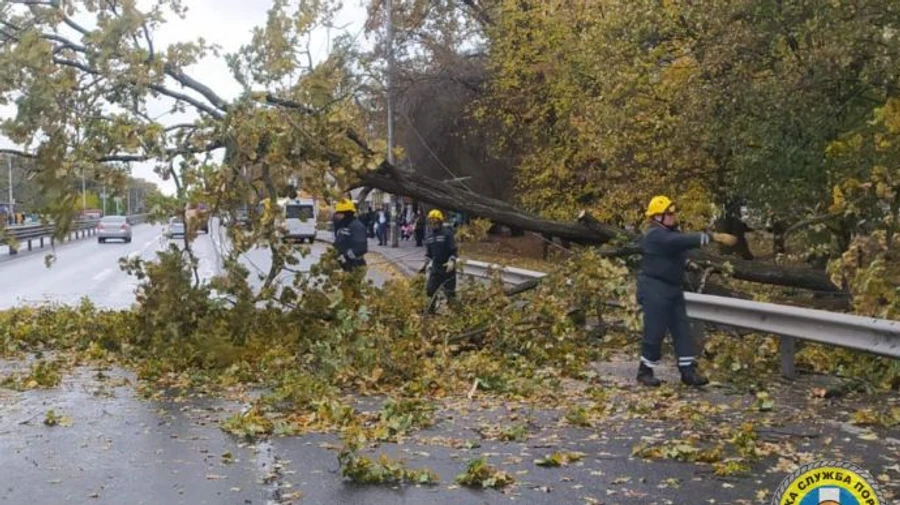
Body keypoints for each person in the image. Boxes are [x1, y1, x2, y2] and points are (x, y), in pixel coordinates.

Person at [636, 195, 737, 387]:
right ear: (658, 217)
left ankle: (688, 371)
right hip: (654, 288)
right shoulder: (655, 234)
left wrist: (687, 263)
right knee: (655, 330)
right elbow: (678, 242)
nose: (673, 216)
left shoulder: (668, 233)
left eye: (673, 213)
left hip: (672, 288)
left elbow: (671, 253)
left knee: (682, 329)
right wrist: (711, 237)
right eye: (669, 213)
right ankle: (645, 371)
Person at [422, 209, 458, 313]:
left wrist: (452, 260)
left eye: (435, 222)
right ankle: (430, 310)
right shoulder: (429, 237)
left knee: (450, 292)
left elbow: (454, 250)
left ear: (440, 221)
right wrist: (425, 264)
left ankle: (455, 313)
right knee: (430, 290)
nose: (433, 224)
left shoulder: (447, 234)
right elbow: (429, 254)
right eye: (431, 222)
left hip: (447, 268)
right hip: (436, 268)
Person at [333, 199, 368, 272]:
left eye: (338, 214)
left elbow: (361, 247)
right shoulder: (344, 225)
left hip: (355, 265)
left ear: (345, 214)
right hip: (345, 264)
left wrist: (347, 256)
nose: (337, 216)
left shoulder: (357, 226)